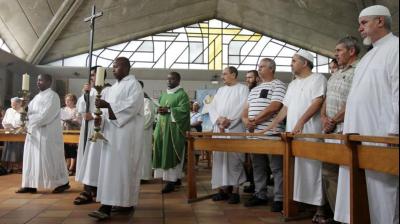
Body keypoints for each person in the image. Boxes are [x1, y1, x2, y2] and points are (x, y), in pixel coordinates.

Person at [339, 5, 399, 224]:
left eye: (364, 23)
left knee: (384, 191)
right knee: (359, 190)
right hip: (357, 134)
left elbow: (398, 91)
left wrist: (395, 130)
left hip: (381, 133)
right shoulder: (368, 57)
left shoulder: (396, 48)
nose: (359, 28)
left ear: (380, 21)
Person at [260, 50, 327, 220]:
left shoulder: (318, 78)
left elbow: (317, 102)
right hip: (293, 133)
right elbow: (285, 108)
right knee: (297, 169)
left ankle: (320, 207)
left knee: (313, 168)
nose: (291, 63)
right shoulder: (293, 84)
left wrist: (301, 121)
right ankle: (303, 204)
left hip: (310, 131)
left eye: (294, 60)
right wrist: (271, 126)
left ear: (305, 63)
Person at [88, 57, 144, 220]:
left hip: (126, 137)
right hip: (111, 136)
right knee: (110, 171)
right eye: (113, 66)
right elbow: (107, 113)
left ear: (126, 68)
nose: (113, 69)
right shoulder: (112, 89)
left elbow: (130, 108)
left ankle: (116, 204)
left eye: (116, 66)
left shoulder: (133, 86)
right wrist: (101, 118)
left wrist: (109, 107)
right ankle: (113, 203)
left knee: (123, 169)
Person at [319, 36, 360, 223]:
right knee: (329, 174)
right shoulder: (335, 73)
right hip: (329, 132)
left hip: (346, 130)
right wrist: (324, 118)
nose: (335, 54)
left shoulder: (358, 71)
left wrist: (334, 120)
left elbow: (355, 101)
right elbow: (327, 99)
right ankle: (338, 216)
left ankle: (351, 216)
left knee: (348, 177)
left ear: (351, 51)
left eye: (339, 51)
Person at [242, 58, 286, 212]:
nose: (259, 69)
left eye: (262, 67)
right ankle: (260, 194)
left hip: (271, 133)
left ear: (271, 69)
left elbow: (275, 106)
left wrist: (255, 121)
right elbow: (245, 110)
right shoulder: (254, 89)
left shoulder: (278, 84)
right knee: (257, 166)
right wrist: (247, 121)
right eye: (258, 67)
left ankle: (280, 198)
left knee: (276, 167)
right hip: (253, 134)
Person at [16, 74, 70, 194]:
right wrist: (24, 108)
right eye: (37, 80)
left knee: (50, 159)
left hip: (48, 134)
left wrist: (29, 119)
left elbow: (46, 116)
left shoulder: (53, 96)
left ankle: (62, 183)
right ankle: (30, 184)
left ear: (49, 82)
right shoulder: (36, 97)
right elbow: (28, 113)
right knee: (31, 159)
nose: (38, 82)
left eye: (41, 80)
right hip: (33, 134)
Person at [208, 66, 249, 204]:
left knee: (235, 159)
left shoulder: (243, 89)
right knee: (219, 159)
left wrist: (229, 121)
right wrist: (219, 120)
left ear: (233, 74)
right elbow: (212, 107)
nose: (222, 77)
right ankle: (223, 189)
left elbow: (243, 107)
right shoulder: (220, 90)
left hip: (234, 129)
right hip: (219, 129)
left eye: (224, 74)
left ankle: (235, 191)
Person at [74, 66, 109, 205]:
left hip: (98, 127)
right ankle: (89, 187)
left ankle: (90, 188)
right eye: (91, 75)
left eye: (94, 75)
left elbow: (107, 109)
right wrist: (85, 94)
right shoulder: (90, 91)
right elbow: (80, 109)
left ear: (102, 76)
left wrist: (93, 115)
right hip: (86, 128)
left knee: (94, 159)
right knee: (85, 157)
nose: (92, 78)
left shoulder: (107, 90)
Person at [153, 72, 190, 193]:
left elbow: (184, 112)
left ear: (178, 81)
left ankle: (171, 181)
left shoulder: (182, 95)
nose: (169, 81)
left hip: (174, 131)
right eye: (168, 79)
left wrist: (169, 110)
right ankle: (175, 178)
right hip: (162, 128)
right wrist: (157, 110)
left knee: (171, 153)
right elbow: (157, 108)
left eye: (172, 79)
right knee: (163, 151)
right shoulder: (163, 95)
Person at [243, 70, 260, 194]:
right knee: (251, 161)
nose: (247, 80)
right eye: (246, 77)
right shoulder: (248, 92)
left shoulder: (260, 90)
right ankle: (253, 184)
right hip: (248, 130)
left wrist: (253, 121)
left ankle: (258, 186)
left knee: (260, 162)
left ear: (257, 78)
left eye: (250, 77)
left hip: (261, 129)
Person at [1, 97, 24, 173]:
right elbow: (4, 121)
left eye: (14, 105)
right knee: (8, 150)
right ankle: (8, 167)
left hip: (18, 134)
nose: (12, 107)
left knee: (17, 150)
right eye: (12, 105)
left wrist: (18, 128)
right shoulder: (9, 110)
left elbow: (24, 124)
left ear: (19, 104)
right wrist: (6, 126)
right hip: (9, 132)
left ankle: (17, 167)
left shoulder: (23, 111)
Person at [138, 80, 155, 182]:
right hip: (133, 132)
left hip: (142, 132)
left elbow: (148, 116)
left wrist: (137, 124)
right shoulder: (131, 101)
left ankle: (143, 176)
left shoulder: (146, 101)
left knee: (143, 153)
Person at [60, 93, 81, 176]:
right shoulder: (63, 109)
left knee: (72, 150)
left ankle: (72, 167)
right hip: (64, 131)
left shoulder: (77, 110)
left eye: (69, 100)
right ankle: (66, 166)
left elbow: (79, 120)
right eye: (66, 100)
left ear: (74, 101)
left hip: (73, 131)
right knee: (65, 149)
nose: (67, 102)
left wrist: (71, 120)